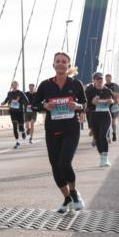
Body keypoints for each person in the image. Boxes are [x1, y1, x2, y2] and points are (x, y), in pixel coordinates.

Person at [33, 52, 87, 213]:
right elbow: (34, 105)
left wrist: (78, 106)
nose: (61, 63)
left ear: (68, 66)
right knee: (55, 167)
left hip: (71, 129)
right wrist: (44, 106)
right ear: (54, 65)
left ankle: (74, 192)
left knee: (64, 163)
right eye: (58, 61)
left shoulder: (76, 84)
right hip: (52, 130)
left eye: (64, 62)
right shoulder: (45, 85)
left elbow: (85, 104)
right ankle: (67, 198)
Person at [86, 72, 114, 167]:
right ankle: (102, 158)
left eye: (101, 79)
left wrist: (111, 102)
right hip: (94, 116)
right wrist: (92, 102)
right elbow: (86, 105)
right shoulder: (89, 91)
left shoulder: (107, 91)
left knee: (103, 135)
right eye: (97, 79)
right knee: (97, 137)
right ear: (94, 80)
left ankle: (105, 158)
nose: (99, 81)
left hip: (105, 115)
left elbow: (112, 102)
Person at [2, 81, 30, 148]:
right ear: (11, 86)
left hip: (20, 112)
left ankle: (23, 132)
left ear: (18, 85)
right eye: (13, 85)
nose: (14, 86)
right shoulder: (9, 93)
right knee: (14, 126)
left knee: (20, 127)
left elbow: (27, 101)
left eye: (15, 85)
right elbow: (6, 100)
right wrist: (3, 102)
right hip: (12, 112)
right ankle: (17, 142)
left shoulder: (20, 93)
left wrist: (21, 102)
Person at [104, 73, 119, 142]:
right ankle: (108, 135)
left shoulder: (115, 85)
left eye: (109, 77)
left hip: (114, 105)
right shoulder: (103, 86)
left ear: (111, 78)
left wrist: (112, 93)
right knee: (107, 121)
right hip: (106, 105)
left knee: (113, 121)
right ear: (105, 78)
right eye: (106, 77)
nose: (108, 79)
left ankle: (114, 133)